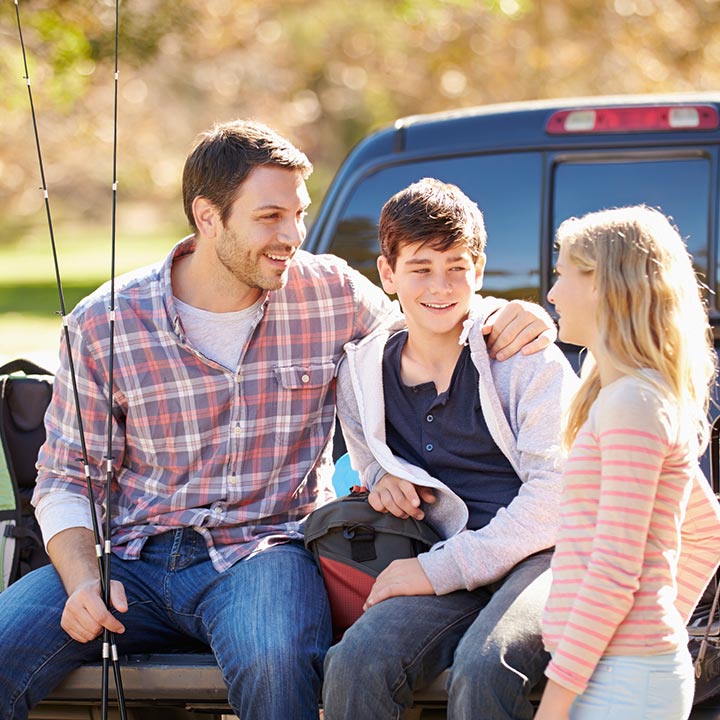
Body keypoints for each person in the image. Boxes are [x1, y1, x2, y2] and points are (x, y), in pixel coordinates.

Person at [0, 121, 557, 720]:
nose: (292, 235)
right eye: (270, 216)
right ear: (208, 216)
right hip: (127, 559)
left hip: (265, 552)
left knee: (275, 658)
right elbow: (64, 478)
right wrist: (83, 579)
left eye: (299, 214)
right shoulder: (104, 322)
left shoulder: (331, 293)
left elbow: (431, 311)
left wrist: (511, 313)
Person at [322, 177, 580, 720]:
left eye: (456, 267)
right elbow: (366, 458)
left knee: (487, 664)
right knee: (356, 661)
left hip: (545, 557)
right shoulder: (362, 372)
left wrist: (437, 572)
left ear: (478, 271)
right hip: (448, 555)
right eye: (420, 268)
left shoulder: (524, 357)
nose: (440, 286)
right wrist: (380, 480)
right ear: (387, 274)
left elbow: (558, 499)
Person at [536, 206, 720, 720]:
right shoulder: (632, 397)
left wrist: (556, 701)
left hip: (622, 684)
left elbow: (614, 569)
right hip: (622, 671)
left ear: (603, 284)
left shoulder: (632, 405)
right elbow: (708, 532)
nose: (551, 294)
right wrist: (658, 629)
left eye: (562, 274)